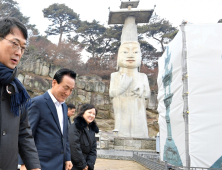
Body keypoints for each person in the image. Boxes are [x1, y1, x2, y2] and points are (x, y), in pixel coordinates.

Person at [0, 17, 41, 170]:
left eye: (23, 48)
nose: (19, 52)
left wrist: (34, 166)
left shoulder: (17, 90)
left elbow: (24, 132)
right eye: (15, 44)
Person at [19, 68, 76, 170]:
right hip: (40, 164)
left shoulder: (64, 107)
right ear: (54, 83)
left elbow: (65, 136)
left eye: (71, 90)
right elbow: (26, 134)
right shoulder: (37, 103)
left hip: (60, 164)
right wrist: (24, 163)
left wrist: (67, 158)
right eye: (66, 88)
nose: (68, 93)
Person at [69, 104, 99, 170]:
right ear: (83, 112)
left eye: (94, 114)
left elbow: (93, 149)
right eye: (89, 112)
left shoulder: (92, 129)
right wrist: (82, 165)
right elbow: (74, 147)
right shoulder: (75, 127)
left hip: (87, 165)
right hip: (75, 165)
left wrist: (90, 163)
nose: (92, 115)